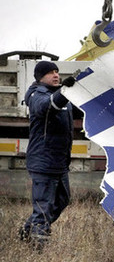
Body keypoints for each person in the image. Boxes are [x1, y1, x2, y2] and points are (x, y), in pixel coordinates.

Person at [19, 61, 76, 249]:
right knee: (43, 208)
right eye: (51, 72)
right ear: (40, 77)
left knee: (61, 201)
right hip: (43, 162)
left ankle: (27, 232)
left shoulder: (60, 96)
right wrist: (64, 91)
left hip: (59, 163)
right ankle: (37, 249)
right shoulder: (36, 95)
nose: (56, 75)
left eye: (57, 72)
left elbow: (81, 108)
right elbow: (48, 107)